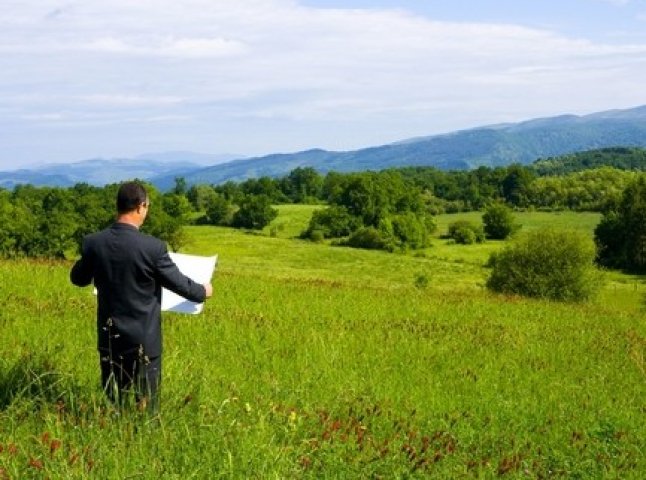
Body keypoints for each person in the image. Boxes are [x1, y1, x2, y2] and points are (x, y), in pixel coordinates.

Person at [70, 181, 212, 413]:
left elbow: (78, 278)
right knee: (146, 406)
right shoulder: (153, 248)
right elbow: (181, 284)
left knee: (114, 401)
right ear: (140, 207)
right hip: (144, 341)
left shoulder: (94, 243)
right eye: (147, 207)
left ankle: (115, 435)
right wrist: (203, 291)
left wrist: (95, 260)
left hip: (109, 338)